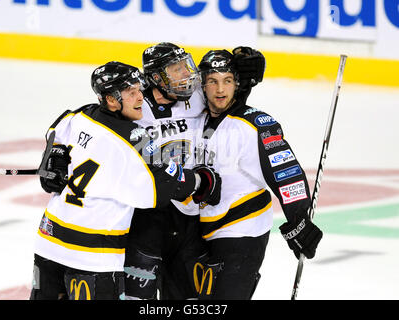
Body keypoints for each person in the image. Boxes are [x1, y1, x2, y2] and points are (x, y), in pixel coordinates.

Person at [30, 61, 221, 300]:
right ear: (111, 99)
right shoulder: (134, 138)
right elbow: (165, 185)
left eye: (140, 90)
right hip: (92, 253)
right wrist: (201, 181)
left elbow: (56, 129)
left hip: (48, 240)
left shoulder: (83, 115)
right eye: (132, 93)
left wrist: (53, 155)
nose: (141, 98)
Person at [123, 43, 265, 300]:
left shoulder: (196, 95)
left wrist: (248, 80)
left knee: (190, 298)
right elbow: (94, 115)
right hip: (148, 218)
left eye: (184, 67)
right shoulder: (134, 104)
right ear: (156, 77)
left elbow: (226, 98)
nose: (186, 75)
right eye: (176, 70)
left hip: (189, 217)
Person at [192, 49, 323, 299]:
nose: (220, 90)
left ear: (237, 83)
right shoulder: (199, 119)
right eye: (213, 81)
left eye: (227, 81)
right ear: (203, 84)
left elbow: (285, 171)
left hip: (242, 234)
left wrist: (299, 219)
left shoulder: (255, 125)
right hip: (203, 233)